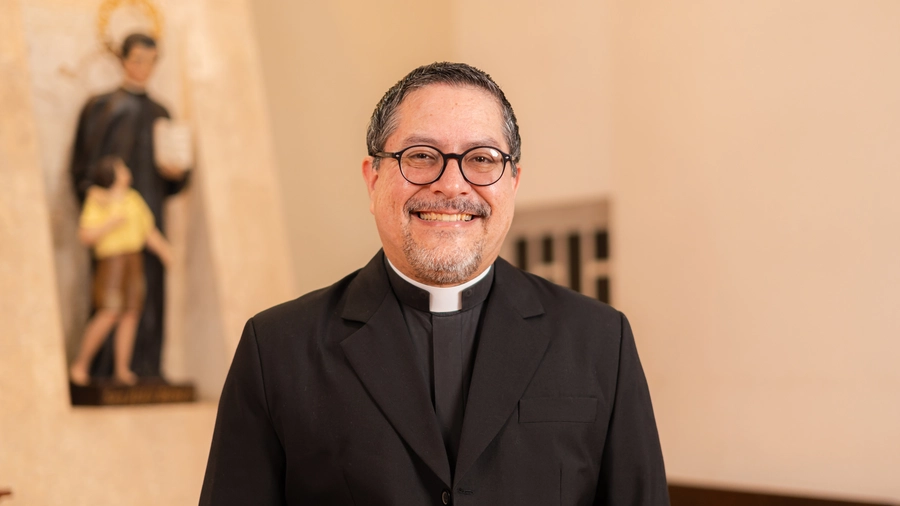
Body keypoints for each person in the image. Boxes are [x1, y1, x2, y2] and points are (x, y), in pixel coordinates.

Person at [200, 62, 669, 505]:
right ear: (373, 179)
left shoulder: (600, 341)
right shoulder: (278, 349)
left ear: (513, 182)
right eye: (421, 156)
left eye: (482, 158)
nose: (451, 185)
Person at [71, 33, 189, 380]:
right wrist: (100, 202)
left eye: (151, 61)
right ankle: (100, 367)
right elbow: (82, 169)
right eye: (137, 59)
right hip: (112, 226)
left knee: (146, 298)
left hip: (148, 215)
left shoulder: (161, 111)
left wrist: (176, 174)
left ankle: (143, 367)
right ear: (122, 59)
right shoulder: (100, 107)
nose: (143, 68)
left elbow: (176, 178)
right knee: (109, 300)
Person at [69, 156, 172, 386]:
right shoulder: (99, 199)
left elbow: (147, 230)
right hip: (111, 261)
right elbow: (85, 234)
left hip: (133, 260)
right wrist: (110, 223)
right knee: (109, 312)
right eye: (121, 168)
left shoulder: (133, 199)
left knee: (131, 313)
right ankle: (81, 364)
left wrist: (165, 250)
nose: (126, 171)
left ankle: (122, 369)